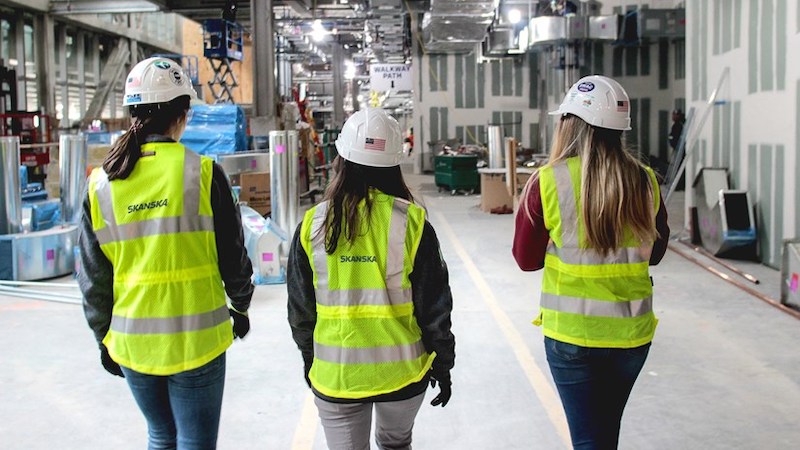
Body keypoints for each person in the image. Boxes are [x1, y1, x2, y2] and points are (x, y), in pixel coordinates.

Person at [78, 57, 254, 449]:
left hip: (133, 342)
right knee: (194, 441)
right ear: (183, 112)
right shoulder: (204, 172)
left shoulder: (101, 184)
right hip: (198, 340)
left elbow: (93, 278)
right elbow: (234, 258)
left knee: (160, 436)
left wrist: (102, 336)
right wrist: (240, 306)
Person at [512, 75, 669, 449]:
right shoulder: (645, 180)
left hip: (572, 336)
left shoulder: (546, 182)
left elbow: (526, 259)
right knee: (603, 434)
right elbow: (657, 253)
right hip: (631, 334)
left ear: (570, 124)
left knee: (588, 439)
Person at [288, 108, 455, 450]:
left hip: (337, 376)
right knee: (395, 444)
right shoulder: (413, 222)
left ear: (341, 159)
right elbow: (435, 307)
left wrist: (310, 358)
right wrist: (444, 363)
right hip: (403, 374)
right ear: (395, 163)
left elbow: (301, 310)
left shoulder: (313, 225)